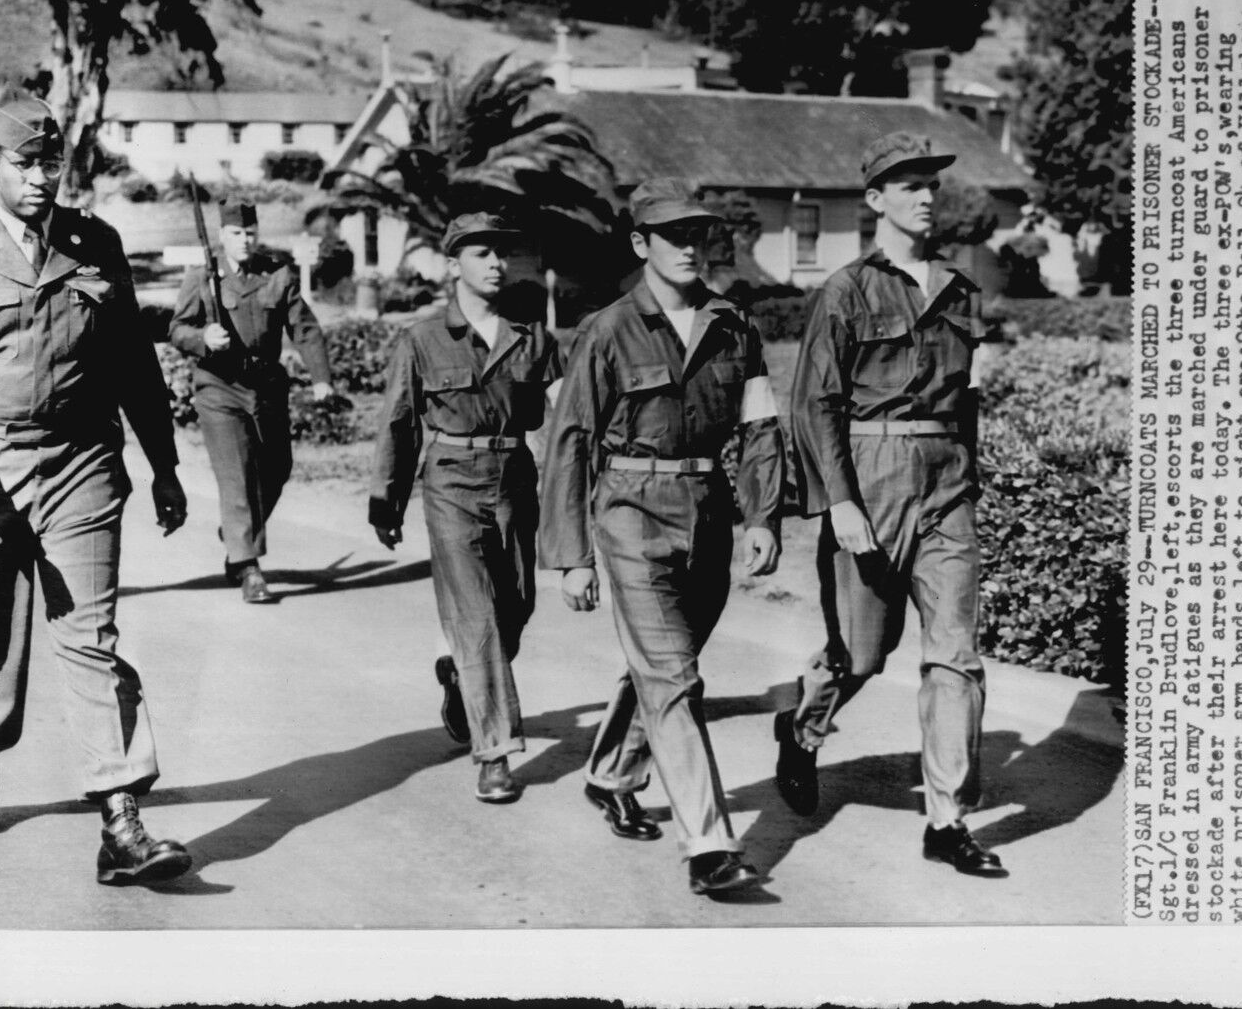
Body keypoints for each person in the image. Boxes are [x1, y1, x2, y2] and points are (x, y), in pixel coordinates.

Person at [0, 93, 193, 885]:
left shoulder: (94, 244)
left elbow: (134, 361)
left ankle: (121, 816)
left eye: (49, 163)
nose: (39, 178)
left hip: (80, 465)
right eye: (24, 164)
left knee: (89, 636)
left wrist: (163, 463)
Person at [539, 179, 784, 897]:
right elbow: (570, 441)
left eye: (697, 233)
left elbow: (761, 427)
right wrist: (571, 555)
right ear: (641, 244)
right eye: (671, 235)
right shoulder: (607, 330)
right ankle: (709, 844)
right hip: (630, 511)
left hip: (708, 509)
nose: (688, 246)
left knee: (663, 664)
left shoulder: (734, 327)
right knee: (675, 675)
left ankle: (613, 770)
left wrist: (762, 516)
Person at [772, 131, 1008, 877]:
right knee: (863, 651)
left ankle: (947, 819)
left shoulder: (959, 290)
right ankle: (803, 726)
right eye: (908, 184)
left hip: (946, 482)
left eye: (931, 183)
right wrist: (839, 501)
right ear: (875, 199)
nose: (926, 195)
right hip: (869, 474)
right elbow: (813, 405)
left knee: (956, 654)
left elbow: (964, 399)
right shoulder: (846, 290)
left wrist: (964, 477)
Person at [368, 213, 562, 802]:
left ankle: (460, 676)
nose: (496, 262)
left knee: (516, 605)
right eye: (482, 253)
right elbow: (398, 420)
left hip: (514, 478)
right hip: (450, 480)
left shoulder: (532, 337)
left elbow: (562, 419)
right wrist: (387, 497)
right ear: (453, 265)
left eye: (503, 252)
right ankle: (496, 752)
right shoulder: (422, 338)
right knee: (476, 615)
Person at [169, 199, 335, 603]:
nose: (243, 240)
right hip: (219, 388)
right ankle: (249, 567)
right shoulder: (203, 277)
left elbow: (306, 328)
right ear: (222, 235)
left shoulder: (277, 274)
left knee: (277, 467)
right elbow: (177, 329)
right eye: (235, 234)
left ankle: (237, 533)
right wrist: (203, 339)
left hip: (267, 387)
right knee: (237, 476)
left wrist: (322, 380)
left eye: (249, 233)